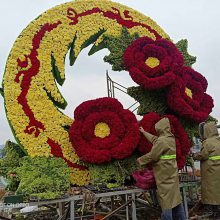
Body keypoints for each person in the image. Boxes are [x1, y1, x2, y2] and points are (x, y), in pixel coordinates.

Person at [137, 118, 185, 220]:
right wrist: (144, 132)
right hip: (171, 173)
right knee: (175, 199)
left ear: (160, 129)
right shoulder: (170, 138)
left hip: (164, 175)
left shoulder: (162, 141)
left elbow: (153, 156)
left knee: (166, 202)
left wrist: (140, 160)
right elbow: (156, 140)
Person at [193, 121, 220, 217]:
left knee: (210, 191)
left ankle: (212, 212)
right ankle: (217, 211)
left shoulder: (208, 142)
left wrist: (194, 155)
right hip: (217, 170)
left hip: (210, 171)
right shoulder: (218, 140)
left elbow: (203, 155)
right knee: (217, 191)